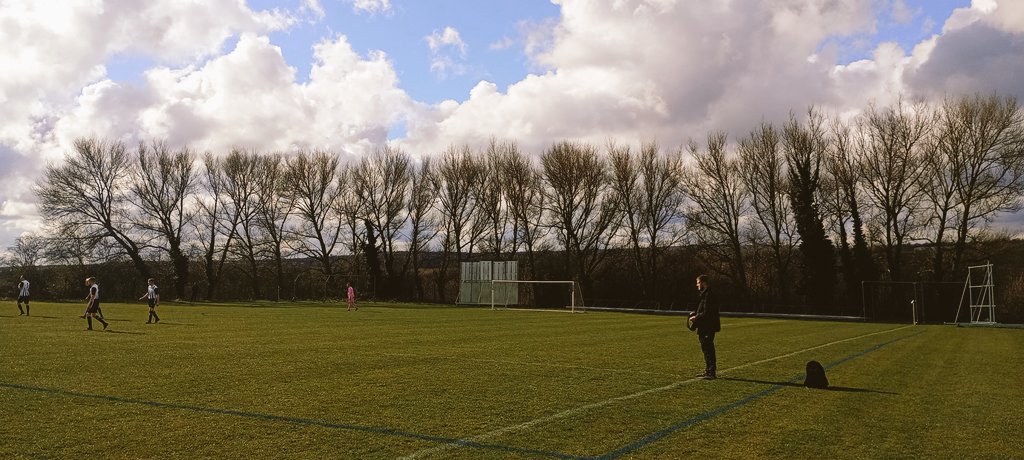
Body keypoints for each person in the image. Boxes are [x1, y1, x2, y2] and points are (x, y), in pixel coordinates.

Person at [690, 274, 720, 380]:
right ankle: (708, 370)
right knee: (706, 348)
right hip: (705, 326)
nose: (697, 285)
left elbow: (707, 312)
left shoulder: (709, 295)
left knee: (708, 348)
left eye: (698, 283)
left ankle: (711, 372)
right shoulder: (705, 294)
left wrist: (696, 317)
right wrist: (696, 314)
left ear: (703, 283)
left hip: (708, 326)